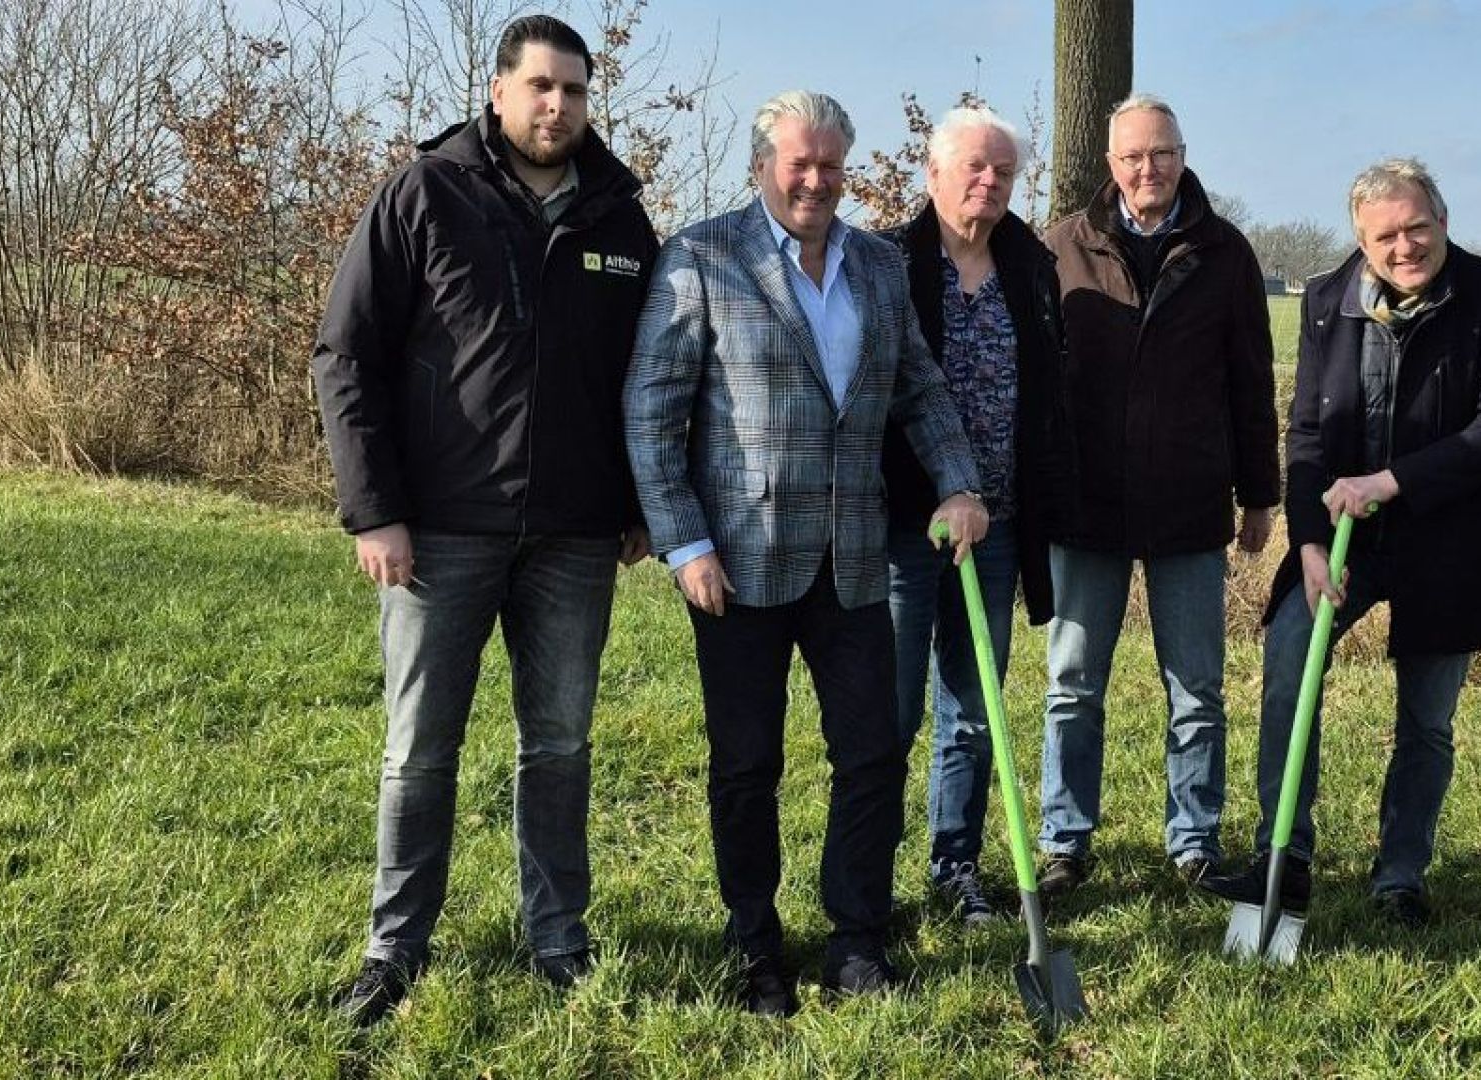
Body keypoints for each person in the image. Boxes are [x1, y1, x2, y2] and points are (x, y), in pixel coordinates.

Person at [311, 15, 658, 1026]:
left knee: (557, 747)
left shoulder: (621, 222)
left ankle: (559, 940)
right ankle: (394, 950)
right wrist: (375, 511)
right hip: (440, 530)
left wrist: (635, 505)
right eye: (541, 87)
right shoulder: (425, 194)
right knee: (420, 749)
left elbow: (649, 380)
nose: (559, 108)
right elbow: (346, 357)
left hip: (576, 536)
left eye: (576, 91)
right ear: (499, 91)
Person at [623, 90, 987, 1017]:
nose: (818, 180)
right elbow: (651, 411)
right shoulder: (702, 256)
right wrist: (685, 541)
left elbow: (921, 388)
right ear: (762, 165)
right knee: (747, 767)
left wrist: (958, 481)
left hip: (854, 559)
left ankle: (856, 937)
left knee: (872, 755)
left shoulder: (875, 265)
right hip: (735, 567)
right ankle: (756, 949)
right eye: (801, 163)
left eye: (831, 164)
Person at [1231, 157, 1481, 929]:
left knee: (1426, 719)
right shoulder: (1329, 301)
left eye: (1417, 228)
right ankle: (1285, 855)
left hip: (1453, 541)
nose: (1405, 246)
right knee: (1288, 669)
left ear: (1443, 219)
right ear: (1361, 242)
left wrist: (1390, 482)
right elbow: (1306, 434)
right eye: (1386, 237)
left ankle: (1400, 873)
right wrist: (1307, 541)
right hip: (1340, 536)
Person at [1035, 94, 1280, 900]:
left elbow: (1250, 384)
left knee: (1197, 688)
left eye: (1163, 154)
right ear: (1110, 164)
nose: (1149, 170)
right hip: (1086, 505)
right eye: (1133, 156)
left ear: (1183, 155)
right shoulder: (1061, 247)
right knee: (1073, 684)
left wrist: (1259, 496)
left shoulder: (1225, 252)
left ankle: (1195, 839)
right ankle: (1065, 839)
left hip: (1187, 504)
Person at [878, 107, 1073, 927]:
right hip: (899, 524)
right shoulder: (885, 260)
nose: (988, 183)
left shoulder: (1030, 265)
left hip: (995, 524)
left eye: (1003, 171)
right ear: (933, 172)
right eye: (973, 168)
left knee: (973, 705)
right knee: (888, 708)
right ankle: (868, 872)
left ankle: (954, 865)